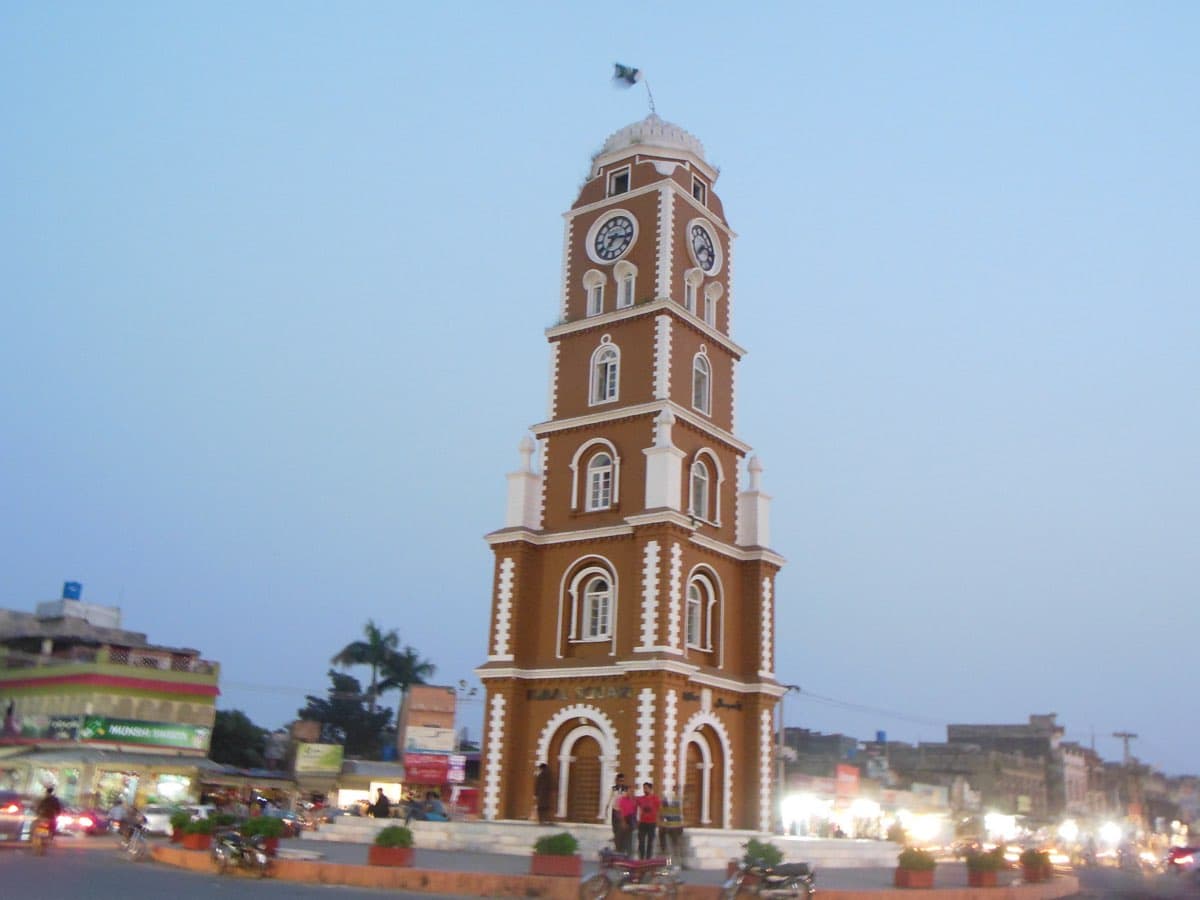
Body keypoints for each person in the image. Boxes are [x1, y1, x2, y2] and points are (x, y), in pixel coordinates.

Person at [635, 782, 661, 860]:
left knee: (650, 842)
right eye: (644, 788)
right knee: (641, 842)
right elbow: (635, 807)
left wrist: (658, 821)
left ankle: (648, 859)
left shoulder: (655, 799)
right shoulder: (640, 799)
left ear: (650, 789)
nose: (644, 790)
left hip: (651, 823)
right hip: (642, 823)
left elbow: (659, 810)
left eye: (646, 788)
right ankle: (641, 858)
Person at [602, 773, 628, 849]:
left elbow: (626, 800)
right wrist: (606, 808)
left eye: (622, 781)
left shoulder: (625, 789)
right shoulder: (614, 789)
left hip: (621, 810)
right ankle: (616, 839)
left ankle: (618, 843)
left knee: (620, 828)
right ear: (617, 781)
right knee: (615, 826)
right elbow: (610, 798)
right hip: (615, 809)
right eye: (619, 781)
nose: (621, 782)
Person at [657, 790, 684, 862]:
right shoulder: (665, 807)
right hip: (669, 829)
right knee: (671, 848)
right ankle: (671, 862)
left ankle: (676, 862)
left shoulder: (675, 806)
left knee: (674, 847)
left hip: (674, 829)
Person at [615, 785, 638, 856]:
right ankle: (620, 852)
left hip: (630, 820)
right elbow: (620, 811)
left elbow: (635, 812)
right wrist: (623, 822)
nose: (631, 793)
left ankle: (629, 854)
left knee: (629, 839)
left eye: (632, 792)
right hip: (623, 819)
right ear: (626, 791)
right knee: (620, 838)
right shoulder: (622, 800)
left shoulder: (634, 801)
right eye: (630, 791)